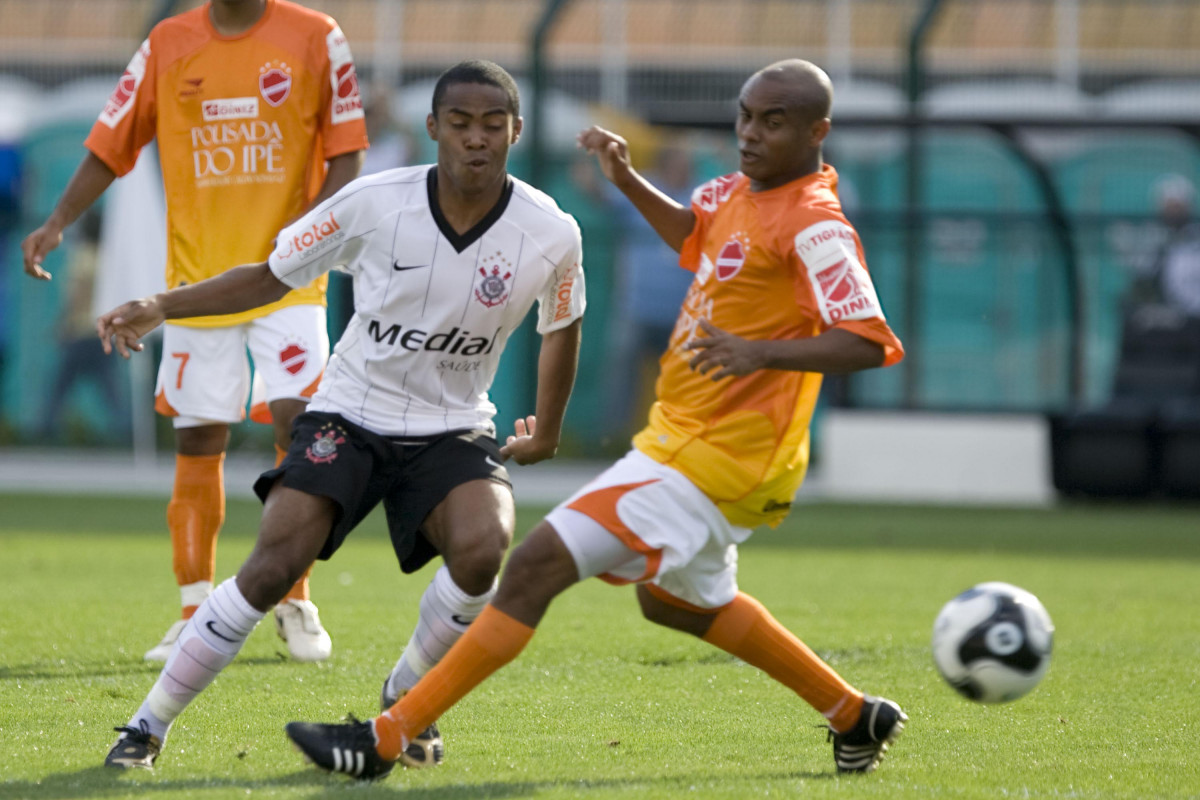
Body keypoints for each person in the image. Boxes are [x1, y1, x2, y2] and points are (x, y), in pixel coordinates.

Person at [285, 59, 907, 781]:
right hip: (682, 440)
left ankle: (387, 738)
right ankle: (854, 714)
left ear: (817, 132)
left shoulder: (817, 227)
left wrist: (756, 352)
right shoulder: (736, 191)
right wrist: (626, 179)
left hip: (718, 456)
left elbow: (867, 339)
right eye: (744, 116)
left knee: (535, 566)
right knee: (674, 603)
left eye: (773, 122)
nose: (749, 133)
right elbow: (697, 236)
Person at [96, 59, 585, 772]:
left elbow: (561, 326)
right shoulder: (374, 203)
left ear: (516, 130)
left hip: (452, 424)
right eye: (460, 123)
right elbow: (269, 274)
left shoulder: (552, 231)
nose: (476, 139)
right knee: (272, 567)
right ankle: (146, 726)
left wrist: (549, 427)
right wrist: (163, 305)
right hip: (350, 414)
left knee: (484, 549)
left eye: (492, 125)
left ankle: (405, 697)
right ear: (433, 130)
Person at [21, 0, 369, 663]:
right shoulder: (168, 42)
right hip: (197, 284)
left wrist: (302, 244)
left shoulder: (317, 36)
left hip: (290, 280)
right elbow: (111, 139)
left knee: (301, 431)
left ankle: (294, 596)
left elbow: (347, 157)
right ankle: (193, 611)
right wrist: (59, 219)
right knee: (198, 435)